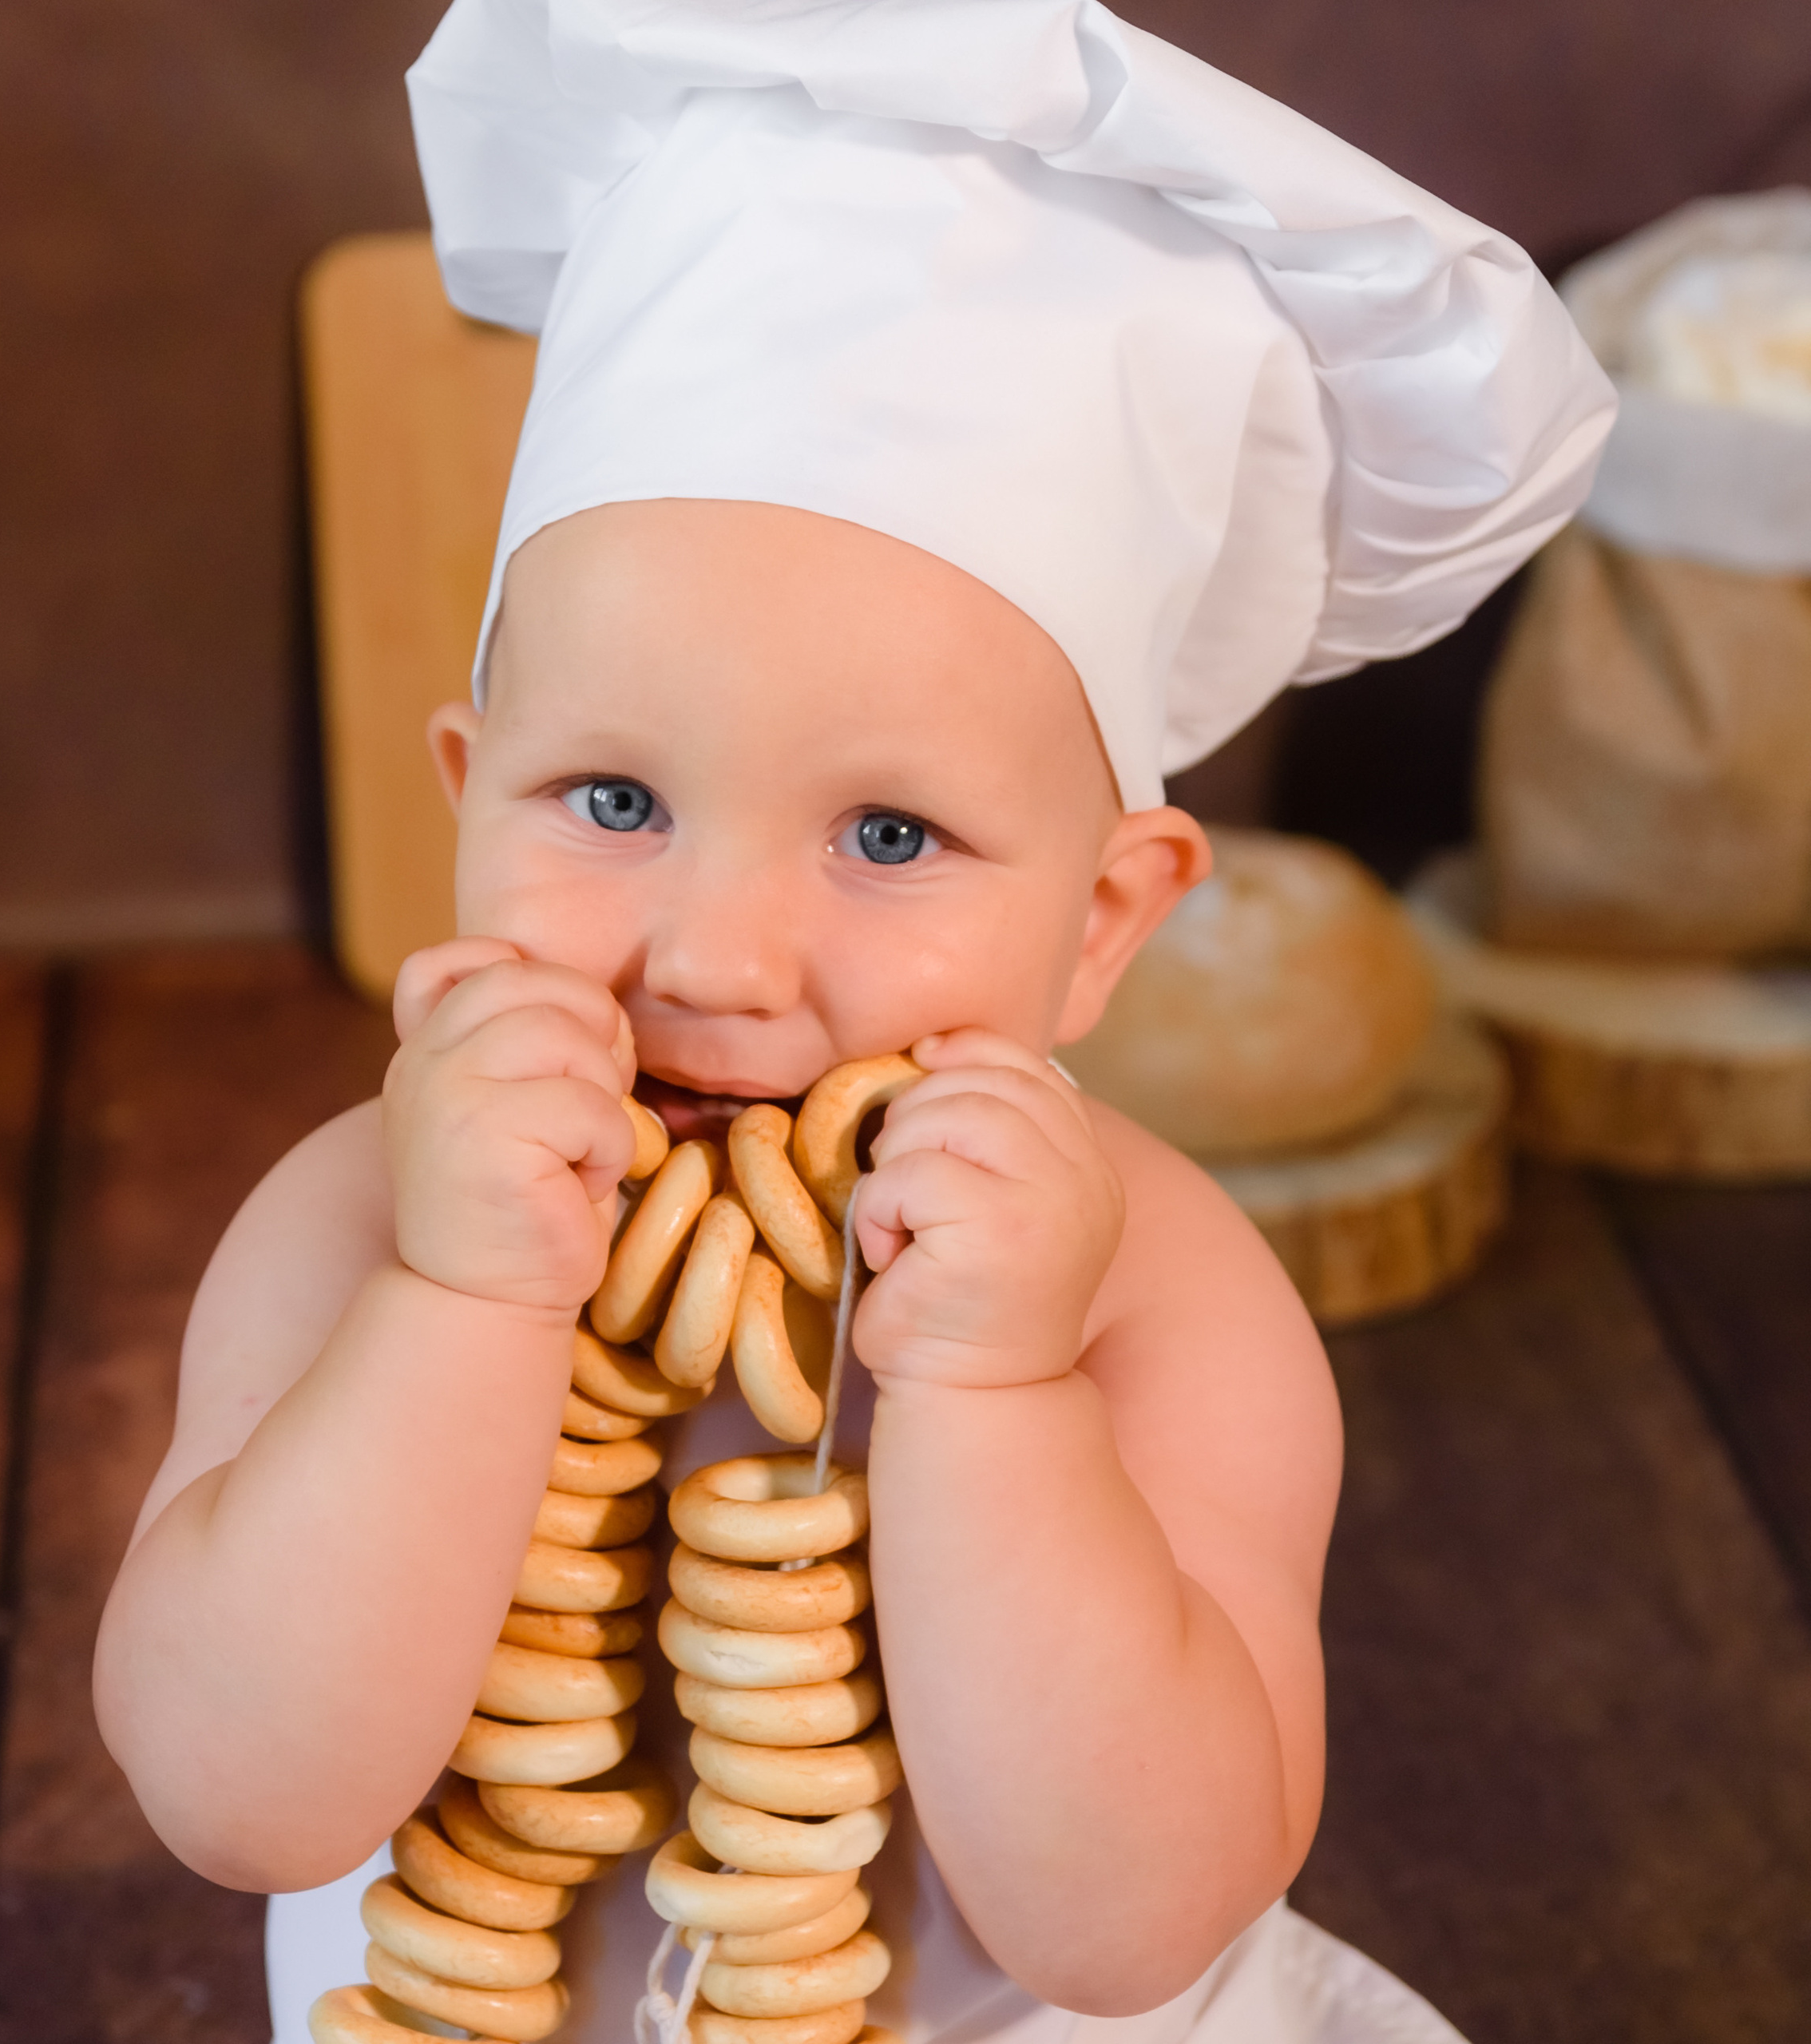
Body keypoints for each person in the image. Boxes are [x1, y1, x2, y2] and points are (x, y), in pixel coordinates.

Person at [93, 3, 1615, 2040]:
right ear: (463, 792)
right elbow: (235, 1797)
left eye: (888, 832)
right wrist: (456, 1306)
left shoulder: (1154, 1293)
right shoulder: (361, 1212)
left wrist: (994, 1403)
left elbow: (1126, 1923)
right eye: (612, 800)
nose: (717, 957)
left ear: (1100, 918)